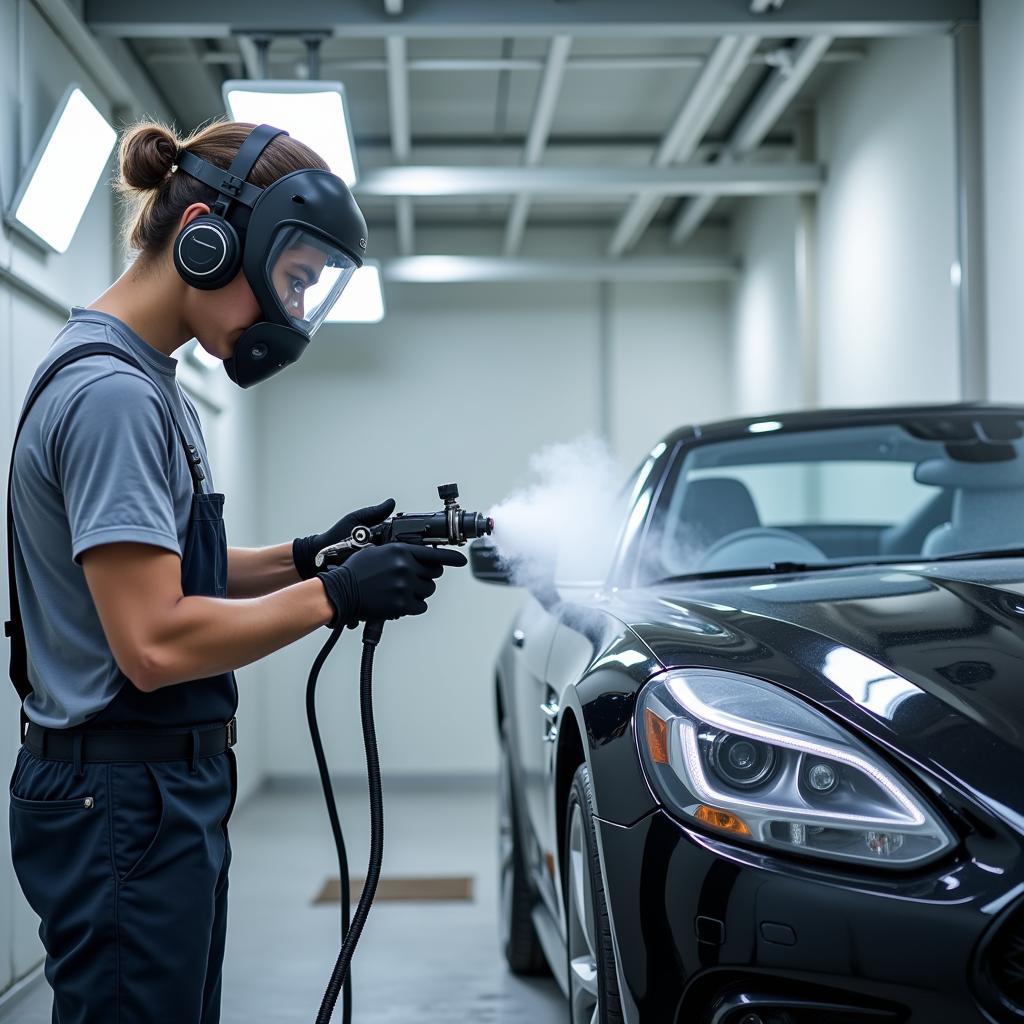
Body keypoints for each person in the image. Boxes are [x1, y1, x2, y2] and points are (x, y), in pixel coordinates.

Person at [4, 119, 465, 1024]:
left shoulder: (142, 379)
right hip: (123, 797)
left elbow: (168, 578)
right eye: (291, 281)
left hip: (147, 792)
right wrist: (332, 597)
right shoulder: (113, 399)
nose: (290, 314)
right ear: (207, 238)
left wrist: (309, 558)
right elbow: (153, 641)